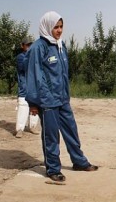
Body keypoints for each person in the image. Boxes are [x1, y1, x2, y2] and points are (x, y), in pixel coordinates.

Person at [24, 11, 98, 182]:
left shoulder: (60, 45)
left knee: (71, 130)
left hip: (63, 98)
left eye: (61, 26)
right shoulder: (38, 47)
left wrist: (66, 94)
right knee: (51, 136)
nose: (59, 30)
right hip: (47, 100)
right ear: (47, 27)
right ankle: (53, 168)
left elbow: (62, 74)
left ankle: (79, 162)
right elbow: (33, 75)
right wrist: (33, 103)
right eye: (56, 27)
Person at [15, 36, 40, 138]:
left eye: (31, 45)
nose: (29, 47)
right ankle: (20, 129)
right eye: (27, 45)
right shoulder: (20, 57)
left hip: (34, 87)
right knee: (23, 107)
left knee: (35, 107)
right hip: (24, 87)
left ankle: (33, 126)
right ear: (23, 46)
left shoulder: (35, 56)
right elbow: (24, 67)